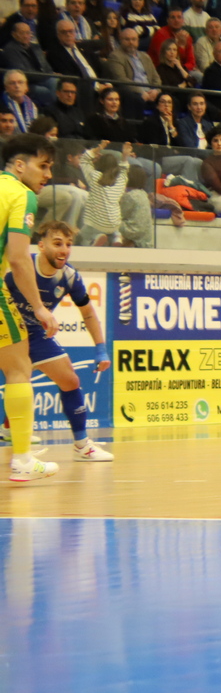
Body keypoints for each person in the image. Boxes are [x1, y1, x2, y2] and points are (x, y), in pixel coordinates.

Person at [3, 220, 113, 461]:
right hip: (8, 329)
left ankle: (82, 446)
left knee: (70, 380)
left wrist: (101, 349)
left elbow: (88, 313)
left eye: (68, 244)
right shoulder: (22, 267)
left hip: (35, 333)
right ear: (41, 245)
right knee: (20, 378)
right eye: (57, 243)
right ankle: (10, 430)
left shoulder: (69, 276)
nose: (64, 249)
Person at [0, 134, 60, 480]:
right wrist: (39, 307)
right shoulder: (22, 195)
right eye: (43, 166)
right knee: (19, 367)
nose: (48, 175)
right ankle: (22, 460)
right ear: (20, 165)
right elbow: (20, 258)